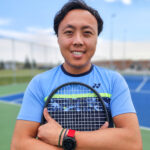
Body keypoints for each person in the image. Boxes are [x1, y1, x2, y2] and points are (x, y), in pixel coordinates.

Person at [11, 0, 142, 150]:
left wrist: (63, 136)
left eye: (87, 33)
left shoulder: (114, 81)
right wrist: (95, 143)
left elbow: (133, 143)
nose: (78, 41)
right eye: (69, 32)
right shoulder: (39, 83)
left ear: (96, 39)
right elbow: (18, 144)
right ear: (58, 38)